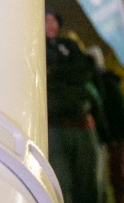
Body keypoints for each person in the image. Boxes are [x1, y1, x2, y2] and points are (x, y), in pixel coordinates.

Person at [44, 12, 105, 203]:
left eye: (54, 20)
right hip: (55, 127)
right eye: (46, 20)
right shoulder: (35, 49)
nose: (50, 24)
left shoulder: (69, 45)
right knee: (60, 185)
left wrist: (55, 72)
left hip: (82, 124)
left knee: (88, 183)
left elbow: (84, 69)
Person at [87, 45, 124, 203]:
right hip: (117, 134)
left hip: (115, 135)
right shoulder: (108, 81)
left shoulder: (103, 82)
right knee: (122, 175)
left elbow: (109, 111)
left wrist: (111, 134)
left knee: (119, 176)